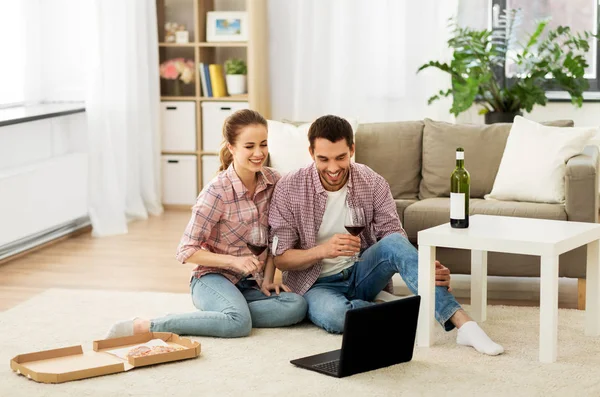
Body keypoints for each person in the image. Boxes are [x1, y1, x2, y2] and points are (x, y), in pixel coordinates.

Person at [268, 115, 503, 355]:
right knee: (336, 317)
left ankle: (464, 325)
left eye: (341, 157)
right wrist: (323, 250)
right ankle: (393, 306)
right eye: (323, 159)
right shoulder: (289, 187)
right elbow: (281, 258)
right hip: (316, 284)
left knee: (394, 243)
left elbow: (394, 238)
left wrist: (424, 267)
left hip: (362, 272)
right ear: (311, 153)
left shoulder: (371, 181)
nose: (333, 168)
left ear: (352, 149)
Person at [105, 109, 307, 339]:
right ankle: (147, 326)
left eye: (263, 144)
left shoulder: (274, 181)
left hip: (250, 284)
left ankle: (229, 313)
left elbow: (275, 239)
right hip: (212, 278)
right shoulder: (216, 192)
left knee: (297, 305)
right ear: (231, 147)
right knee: (239, 325)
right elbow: (185, 251)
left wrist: (269, 280)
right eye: (249, 146)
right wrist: (234, 261)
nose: (259, 153)